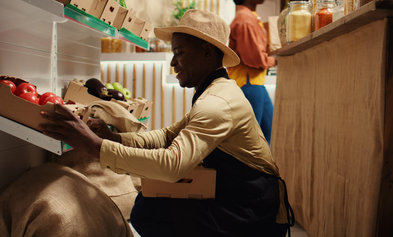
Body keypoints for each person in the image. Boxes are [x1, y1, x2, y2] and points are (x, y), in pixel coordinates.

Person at [40, 9, 293, 237]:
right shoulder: (214, 91)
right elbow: (166, 136)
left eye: (179, 53)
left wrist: (93, 145)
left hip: (253, 208)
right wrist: (112, 138)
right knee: (150, 205)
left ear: (206, 51)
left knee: (150, 211)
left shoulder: (216, 102)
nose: (173, 63)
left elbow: (172, 165)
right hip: (237, 195)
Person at [229, 0, 276, 144]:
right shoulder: (246, 20)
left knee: (266, 134)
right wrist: (274, 60)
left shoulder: (248, 17)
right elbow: (254, 59)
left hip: (254, 83)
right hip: (248, 84)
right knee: (252, 140)